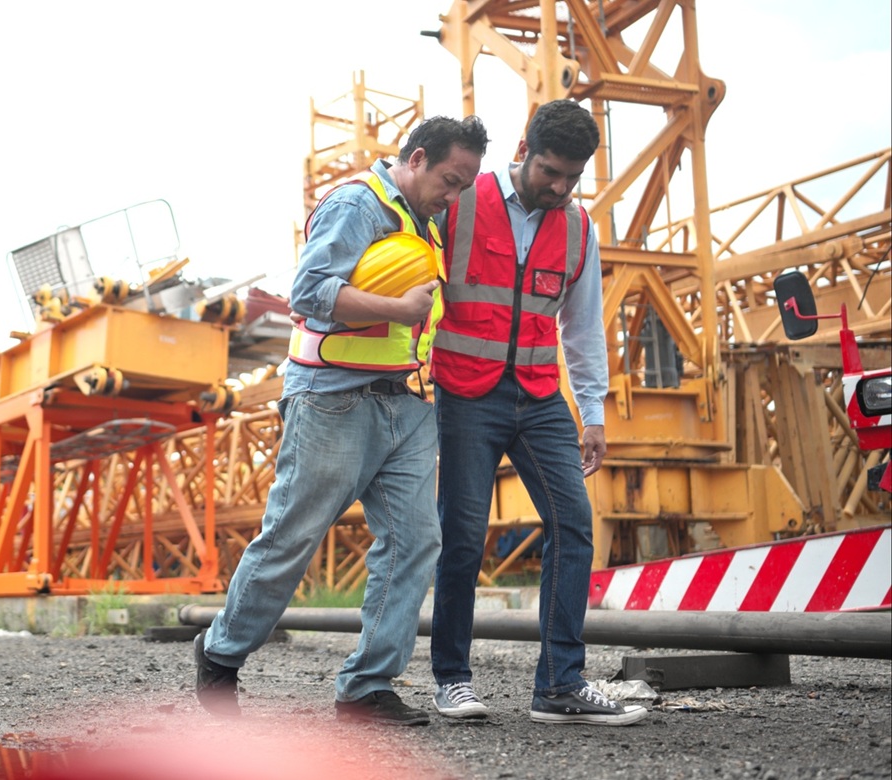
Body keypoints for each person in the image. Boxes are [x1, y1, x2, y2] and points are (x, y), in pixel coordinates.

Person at [194, 115, 488, 726]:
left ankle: (366, 686)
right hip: (332, 398)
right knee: (292, 536)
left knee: (415, 541)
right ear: (417, 157)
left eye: (465, 187)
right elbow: (308, 292)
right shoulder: (357, 205)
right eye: (449, 180)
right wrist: (397, 307)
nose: (454, 197)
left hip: (405, 402)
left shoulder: (425, 220)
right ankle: (220, 654)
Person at [428, 100, 647, 726]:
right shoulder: (460, 202)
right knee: (464, 538)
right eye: (550, 171)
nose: (559, 187)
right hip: (465, 394)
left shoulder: (579, 229)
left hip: (539, 395)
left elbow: (582, 329)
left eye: (572, 178)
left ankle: (559, 685)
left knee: (573, 523)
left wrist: (593, 412)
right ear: (523, 148)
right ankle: (452, 678)